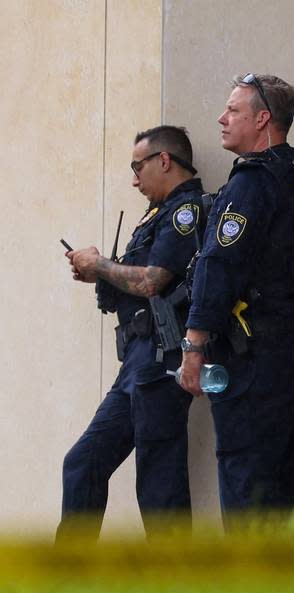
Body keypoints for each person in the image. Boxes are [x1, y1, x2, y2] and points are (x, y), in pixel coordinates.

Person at [179, 73, 294, 528]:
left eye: (233, 110)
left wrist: (194, 348)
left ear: (262, 119)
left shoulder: (252, 183)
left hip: (258, 363)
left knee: (249, 488)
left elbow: (219, 268)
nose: (222, 118)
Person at [60, 126, 205, 540]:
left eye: (137, 166)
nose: (134, 179)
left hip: (163, 359)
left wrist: (100, 264)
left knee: (160, 485)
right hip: (138, 361)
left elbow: (151, 281)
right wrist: (99, 275)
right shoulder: (156, 215)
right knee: (83, 462)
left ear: (164, 160)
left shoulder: (185, 211)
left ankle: (173, 591)